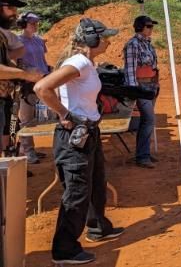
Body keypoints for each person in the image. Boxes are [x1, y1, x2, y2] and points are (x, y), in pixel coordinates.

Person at [34, 18, 125, 265]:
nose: (108, 41)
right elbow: (42, 88)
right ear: (92, 40)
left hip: (88, 132)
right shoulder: (79, 62)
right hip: (75, 137)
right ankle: (64, 249)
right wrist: (65, 114)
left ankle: (98, 227)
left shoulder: (87, 62)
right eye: (104, 37)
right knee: (76, 192)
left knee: (96, 183)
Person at [0, 0, 43, 155]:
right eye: (10, 7)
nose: (14, 13)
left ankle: (10, 171)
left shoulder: (4, 37)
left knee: (9, 134)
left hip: (6, 99)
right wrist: (25, 74)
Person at [122, 15, 160, 169]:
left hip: (150, 86)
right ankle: (142, 156)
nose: (151, 29)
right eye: (149, 26)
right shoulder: (133, 44)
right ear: (141, 27)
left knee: (147, 121)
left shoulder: (147, 44)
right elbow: (130, 69)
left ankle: (143, 153)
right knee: (149, 120)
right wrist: (134, 89)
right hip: (141, 87)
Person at [17, 11, 50, 164]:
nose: (36, 26)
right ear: (23, 24)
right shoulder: (17, 41)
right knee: (26, 118)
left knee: (43, 117)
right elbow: (15, 62)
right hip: (27, 84)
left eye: (37, 23)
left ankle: (32, 149)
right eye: (32, 23)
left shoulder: (39, 40)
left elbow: (42, 59)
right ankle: (28, 151)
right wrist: (27, 72)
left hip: (43, 82)